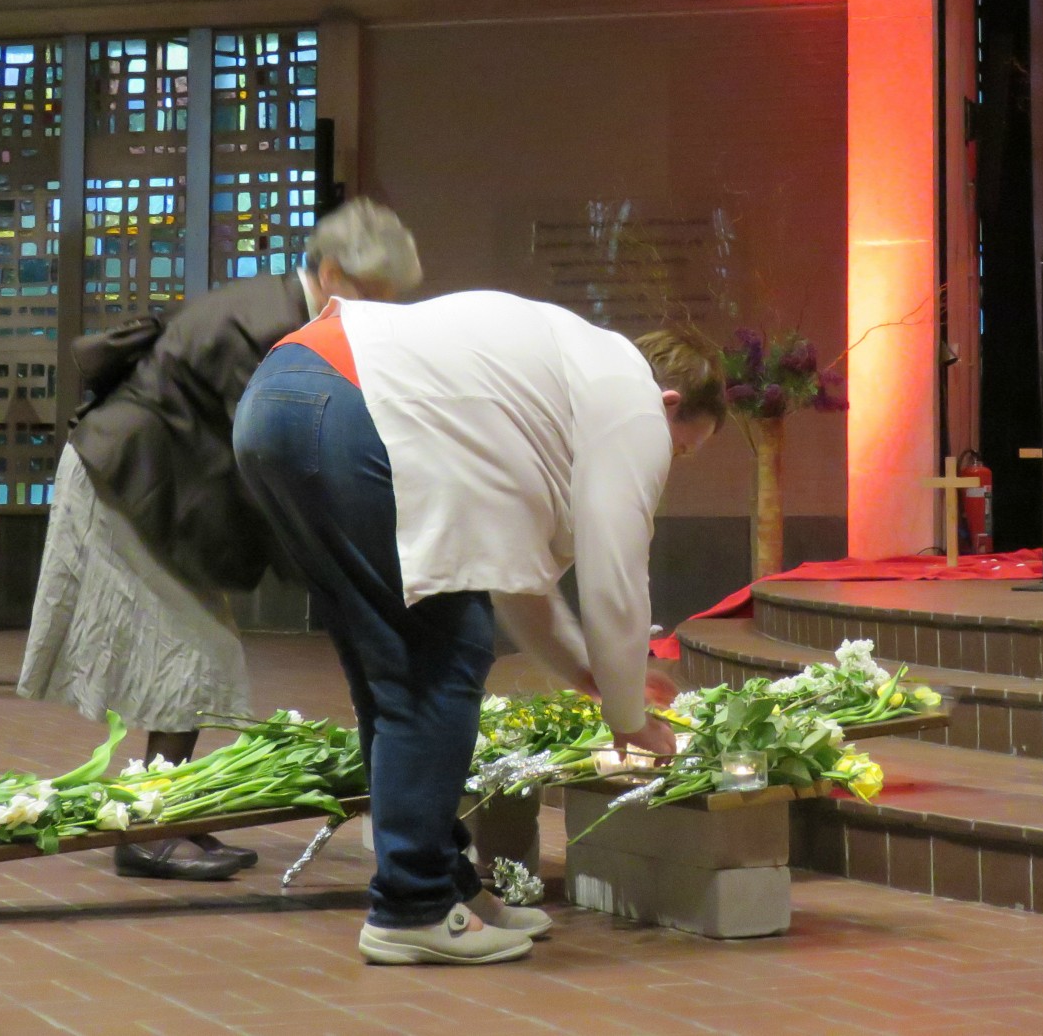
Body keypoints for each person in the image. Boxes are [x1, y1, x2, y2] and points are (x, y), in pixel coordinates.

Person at [233, 293, 725, 967]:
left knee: (400, 661)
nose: (670, 464)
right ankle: (413, 906)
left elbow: (517, 582)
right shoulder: (631, 400)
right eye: (683, 449)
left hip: (280, 398)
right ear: (668, 403)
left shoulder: (562, 378)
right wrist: (626, 710)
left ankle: (442, 884)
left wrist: (589, 674)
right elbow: (618, 577)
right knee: (440, 654)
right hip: (347, 406)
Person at [18, 200, 423, 880]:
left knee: (192, 652)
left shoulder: (278, 313)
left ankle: (168, 814)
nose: (382, 315)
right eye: (376, 298)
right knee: (192, 653)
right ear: (331, 274)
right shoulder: (268, 327)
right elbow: (274, 455)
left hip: (149, 485)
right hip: (126, 480)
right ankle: (148, 830)